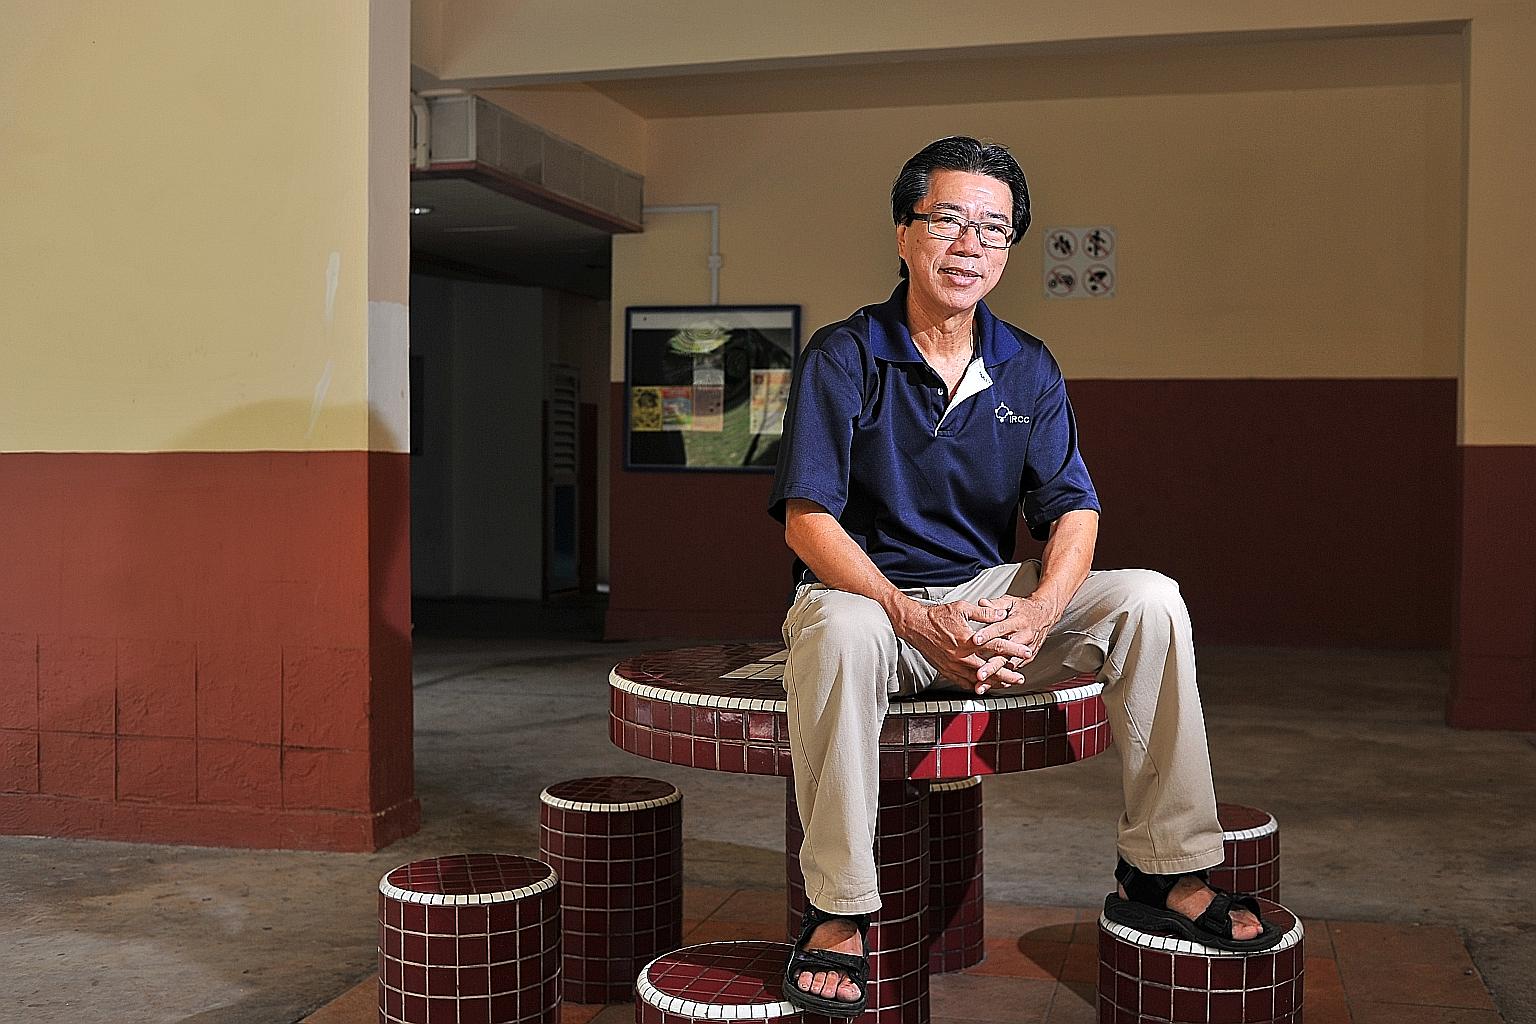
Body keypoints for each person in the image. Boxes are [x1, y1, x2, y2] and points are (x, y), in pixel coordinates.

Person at [769, 136, 1280, 1018]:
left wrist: (1038, 613)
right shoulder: (843, 355)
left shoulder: (1027, 364)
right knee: (845, 629)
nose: (970, 245)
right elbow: (807, 517)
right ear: (904, 231)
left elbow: (1072, 511)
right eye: (949, 220)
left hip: (985, 592)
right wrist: (908, 618)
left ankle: (1165, 869)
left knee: (1150, 598)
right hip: (863, 601)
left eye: (994, 230)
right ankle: (839, 911)